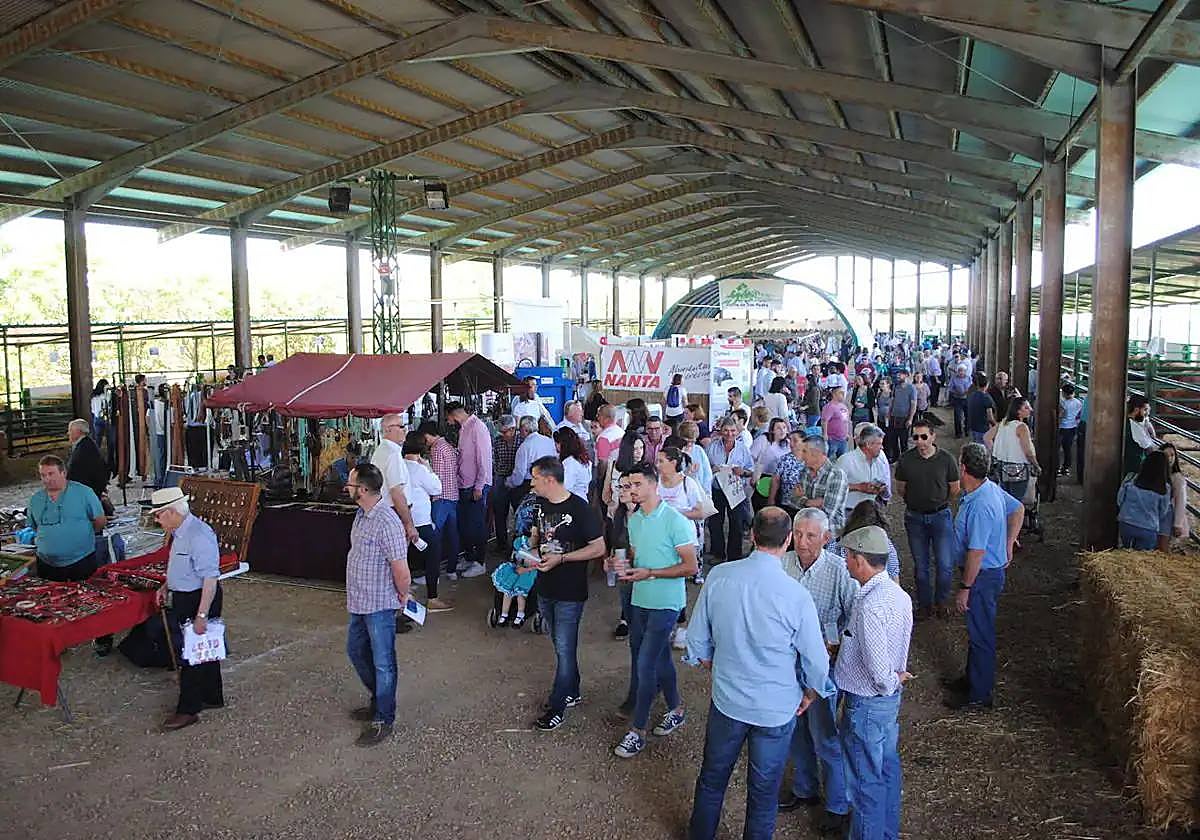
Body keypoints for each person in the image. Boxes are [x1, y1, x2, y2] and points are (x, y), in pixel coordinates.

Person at [685, 507, 831, 840]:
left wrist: (716, 666)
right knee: (764, 793)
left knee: (712, 778)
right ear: (789, 540)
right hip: (776, 708)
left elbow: (696, 641)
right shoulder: (796, 595)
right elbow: (817, 662)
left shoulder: (720, 576)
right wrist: (810, 692)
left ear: (752, 534)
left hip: (728, 701)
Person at [777, 509, 856, 834]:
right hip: (787, 664)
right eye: (798, 534)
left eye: (811, 536)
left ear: (826, 538)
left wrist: (837, 646)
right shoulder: (782, 565)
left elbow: (854, 618)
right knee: (795, 729)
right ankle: (805, 789)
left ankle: (838, 805)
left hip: (822, 668)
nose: (803, 542)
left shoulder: (839, 571)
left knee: (825, 735)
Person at [613, 462, 698, 758]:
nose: (631, 490)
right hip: (640, 599)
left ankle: (637, 730)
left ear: (653, 484)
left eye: (637, 484)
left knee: (645, 663)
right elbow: (638, 557)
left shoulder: (676, 520)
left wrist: (651, 572)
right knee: (659, 658)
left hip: (667, 602)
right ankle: (676, 708)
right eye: (628, 485)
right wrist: (624, 565)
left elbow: (691, 566)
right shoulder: (634, 521)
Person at [835, 525, 914, 840]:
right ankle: (886, 832)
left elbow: (880, 673)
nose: (844, 562)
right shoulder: (898, 594)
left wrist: (890, 681)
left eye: (847, 556)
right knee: (885, 771)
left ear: (859, 560)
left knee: (864, 782)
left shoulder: (869, 606)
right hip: (886, 705)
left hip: (866, 703)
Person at [527, 457, 606, 731]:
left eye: (535, 478)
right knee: (561, 646)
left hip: (570, 591)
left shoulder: (581, 509)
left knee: (564, 647)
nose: (532, 483)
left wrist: (563, 559)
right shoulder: (540, 505)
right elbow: (537, 539)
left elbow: (598, 548)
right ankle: (572, 690)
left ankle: (558, 704)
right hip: (545, 586)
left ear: (549, 479)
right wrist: (531, 552)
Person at [946, 443, 1024, 711]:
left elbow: (976, 553)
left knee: (981, 634)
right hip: (989, 572)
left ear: (964, 468)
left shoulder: (981, 504)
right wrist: (1008, 542)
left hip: (982, 576)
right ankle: (972, 679)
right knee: (978, 629)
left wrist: (965, 587)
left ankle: (979, 695)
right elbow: (1018, 509)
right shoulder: (988, 489)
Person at [341, 462, 410, 746]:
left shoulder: (386, 521)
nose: (346, 486)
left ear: (364, 489)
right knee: (356, 650)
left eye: (351, 483)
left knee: (383, 662)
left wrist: (402, 596)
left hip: (379, 602)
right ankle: (379, 698)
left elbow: (401, 569)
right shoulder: (362, 513)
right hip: (359, 600)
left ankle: (384, 717)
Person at [150, 487, 225, 731]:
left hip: (199, 598)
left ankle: (188, 709)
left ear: (171, 512)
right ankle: (212, 696)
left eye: (158, 514)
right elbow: (178, 566)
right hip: (185, 595)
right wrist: (165, 586)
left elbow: (210, 579)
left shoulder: (199, 535)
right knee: (205, 652)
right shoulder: (179, 532)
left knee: (190, 655)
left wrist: (201, 615)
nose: (156, 519)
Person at [28, 455, 110, 654]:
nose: (47, 479)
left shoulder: (84, 493)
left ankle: (102, 640)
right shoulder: (36, 499)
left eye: (51, 474)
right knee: (51, 604)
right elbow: (34, 526)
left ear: (63, 473)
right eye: (43, 475)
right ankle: (57, 643)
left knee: (92, 600)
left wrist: (79, 533)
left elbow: (100, 520)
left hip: (81, 558)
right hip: (47, 562)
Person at [895, 418, 960, 619]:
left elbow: (954, 488)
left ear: (933, 436)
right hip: (915, 517)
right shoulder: (906, 460)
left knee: (945, 565)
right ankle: (925, 605)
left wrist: (938, 502)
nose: (920, 441)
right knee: (921, 566)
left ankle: (941, 601)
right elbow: (900, 488)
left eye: (924, 437)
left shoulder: (947, 460)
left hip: (940, 516)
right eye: (916, 437)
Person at [401, 431, 451, 611]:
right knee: (432, 557)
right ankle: (432, 597)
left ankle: (403, 595)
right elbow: (437, 488)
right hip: (420, 521)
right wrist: (428, 467)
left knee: (402, 559)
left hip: (401, 520)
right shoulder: (420, 469)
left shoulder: (399, 466)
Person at [419, 420, 469, 580]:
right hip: (453, 495)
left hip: (441, 498)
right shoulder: (447, 446)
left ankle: (432, 575)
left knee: (433, 537)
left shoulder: (436, 448)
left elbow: (436, 479)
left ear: (427, 435)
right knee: (452, 534)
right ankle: (451, 570)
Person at [447, 401, 493, 575]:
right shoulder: (464, 428)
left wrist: (479, 486)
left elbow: (484, 459)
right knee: (465, 525)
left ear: (453, 414)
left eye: (448, 417)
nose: (448, 421)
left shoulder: (477, 427)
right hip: (465, 484)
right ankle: (469, 558)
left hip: (476, 485)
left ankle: (480, 562)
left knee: (477, 524)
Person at [705, 417, 754, 563]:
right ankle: (718, 553)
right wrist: (712, 470)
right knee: (715, 522)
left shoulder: (742, 448)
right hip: (717, 489)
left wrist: (742, 471)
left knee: (737, 523)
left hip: (735, 490)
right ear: (721, 431)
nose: (729, 434)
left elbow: (750, 470)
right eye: (726, 430)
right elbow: (704, 468)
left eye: (732, 430)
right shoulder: (712, 447)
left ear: (737, 431)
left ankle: (734, 556)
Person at [370, 413, 419, 546]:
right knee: (397, 556)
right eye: (401, 426)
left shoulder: (382, 450)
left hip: (387, 511)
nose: (405, 430)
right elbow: (396, 493)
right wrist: (409, 524)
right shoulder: (392, 454)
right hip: (394, 512)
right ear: (388, 429)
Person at [984, 398, 1039, 503]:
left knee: (1005, 497)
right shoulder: (1022, 427)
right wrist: (1036, 465)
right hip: (1018, 468)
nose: (1030, 409)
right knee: (1016, 501)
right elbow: (1028, 451)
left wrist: (997, 451)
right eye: (1026, 407)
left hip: (1001, 465)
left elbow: (986, 438)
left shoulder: (1003, 423)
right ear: (1018, 411)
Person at [1116, 451, 1174, 551]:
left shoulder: (1131, 478)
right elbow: (1163, 511)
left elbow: (1120, 500)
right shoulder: (1165, 488)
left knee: (1125, 552)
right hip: (1148, 527)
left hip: (1126, 522)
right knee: (1142, 559)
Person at [836, 424, 891, 525]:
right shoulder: (846, 460)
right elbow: (833, 487)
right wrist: (858, 487)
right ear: (868, 444)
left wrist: (881, 489)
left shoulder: (880, 460)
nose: (882, 447)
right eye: (879, 444)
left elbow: (885, 483)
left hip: (873, 512)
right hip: (850, 513)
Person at [797, 435, 850, 537]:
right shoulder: (804, 472)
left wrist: (804, 501)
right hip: (805, 531)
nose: (801, 455)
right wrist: (814, 503)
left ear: (816, 453)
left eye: (804, 451)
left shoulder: (836, 475)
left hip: (829, 534)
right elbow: (793, 500)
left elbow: (827, 513)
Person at [506, 415, 556, 510]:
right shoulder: (549, 442)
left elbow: (519, 476)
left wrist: (509, 482)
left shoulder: (524, 447)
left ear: (525, 430)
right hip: (550, 483)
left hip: (530, 487)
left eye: (519, 429)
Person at [65, 418, 108, 505]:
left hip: (88, 490)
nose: (68, 433)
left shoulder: (84, 448)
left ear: (78, 432)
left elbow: (73, 472)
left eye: (70, 430)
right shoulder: (86, 444)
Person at [490, 415, 518, 545]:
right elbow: (493, 460)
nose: (503, 434)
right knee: (500, 513)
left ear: (513, 429)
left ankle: (518, 543)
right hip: (500, 479)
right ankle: (501, 542)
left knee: (519, 512)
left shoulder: (521, 441)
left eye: (505, 431)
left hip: (518, 479)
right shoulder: (497, 441)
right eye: (501, 432)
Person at [769, 431, 808, 518]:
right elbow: (776, 480)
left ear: (804, 442)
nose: (791, 444)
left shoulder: (809, 460)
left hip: (805, 506)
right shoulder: (784, 459)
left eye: (795, 440)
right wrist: (771, 499)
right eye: (790, 440)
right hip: (787, 504)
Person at [554, 426, 591, 501]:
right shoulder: (584, 459)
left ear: (562, 444)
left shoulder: (570, 462)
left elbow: (566, 486)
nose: (555, 446)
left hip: (573, 501)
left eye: (556, 443)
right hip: (582, 498)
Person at [1162, 443, 1190, 542]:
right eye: (1166, 455)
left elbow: (1181, 502)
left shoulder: (1177, 478)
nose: (1170, 458)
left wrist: (1177, 524)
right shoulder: (1160, 475)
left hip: (1171, 517)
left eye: (1172, 455)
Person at [1124, 395, 1157, 477]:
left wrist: (1148, 424)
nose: (1147, 413)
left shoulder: (1135, 421)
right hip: (1136, 469)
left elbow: (1146, 420)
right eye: (1145, 410)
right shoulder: (1134, 427)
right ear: (1136, 410)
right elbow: (1148, 446)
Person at [888, 370, 917, 459]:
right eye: (898, 375)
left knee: (904, 441)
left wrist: (910, 419)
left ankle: (905, 460)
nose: (898, 376)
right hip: (894, 417)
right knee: (893, 440)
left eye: (900, 375)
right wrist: (889, 413)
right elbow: (892, 401)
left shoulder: (911, 388)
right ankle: (896, 458)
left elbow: (913, 404)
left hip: (904, 418)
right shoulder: (896, 387)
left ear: (906, 376)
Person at [1057, 384, 1083, 477]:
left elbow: (1061, 415)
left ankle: (1057, 468)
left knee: (1057, 449)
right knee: (1067, 449)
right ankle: (1066, 468)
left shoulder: (1063, 403)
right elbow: (1079, 415)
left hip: (1062, 427)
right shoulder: (1079, 402)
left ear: (1064, 393)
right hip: (1072, 427)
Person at [820, 387, 851, 459]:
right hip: (832, 439)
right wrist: (825, 434)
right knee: (828, 460)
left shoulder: (843, 406)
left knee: (842, 460)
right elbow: (824, 421)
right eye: (840, 393)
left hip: (843, 439)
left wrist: (847, 433)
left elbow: (846, 421)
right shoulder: (830, 407)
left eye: (843, 392)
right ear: (834, 394)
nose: (843, 394)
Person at [965, 372, 995, 444]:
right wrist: (996, 425)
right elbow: (990, 417)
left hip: (972, 427)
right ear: (987, 384)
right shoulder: (986, 398)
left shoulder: (971, 395)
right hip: (983, 429)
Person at [947, 364, 971, 437]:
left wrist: (968, 391)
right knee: (958, 417)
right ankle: (958, 433)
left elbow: (972, 387)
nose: (961, 372)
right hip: (957, 399)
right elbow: (950, 388)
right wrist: (956, 392)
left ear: (965, 371)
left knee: (968, 416)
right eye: (959, 371)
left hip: (967, 399)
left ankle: (967, 430)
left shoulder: (968, 378)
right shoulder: (954, 378)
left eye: (962, 371)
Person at [90, 378, 109, 445]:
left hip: (97, 417)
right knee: (109, 438)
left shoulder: (94, 396)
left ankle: (96, 452)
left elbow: (92, 409)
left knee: (98, 438)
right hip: (105, 417)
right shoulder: (106, 396)